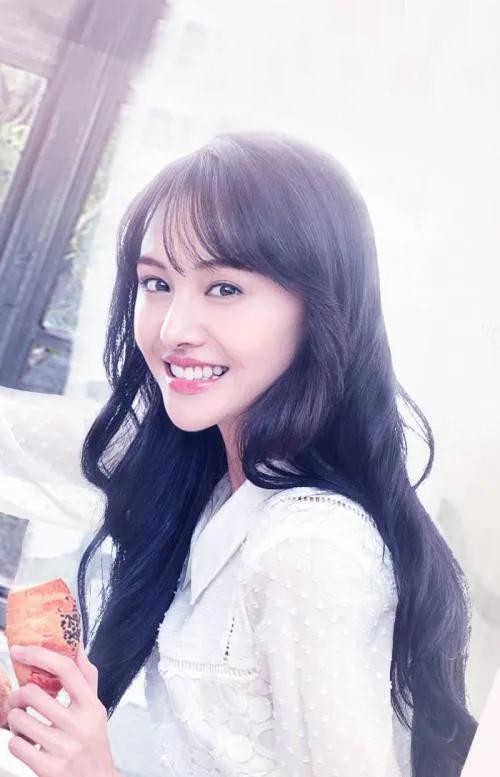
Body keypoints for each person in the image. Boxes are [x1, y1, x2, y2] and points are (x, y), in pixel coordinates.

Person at [1, 131, 480, 776]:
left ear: (320, 308)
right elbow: (22, 442)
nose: (174, 329)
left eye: (224, 288)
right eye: (156, 282)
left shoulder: (310, 550)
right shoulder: (203, 473)